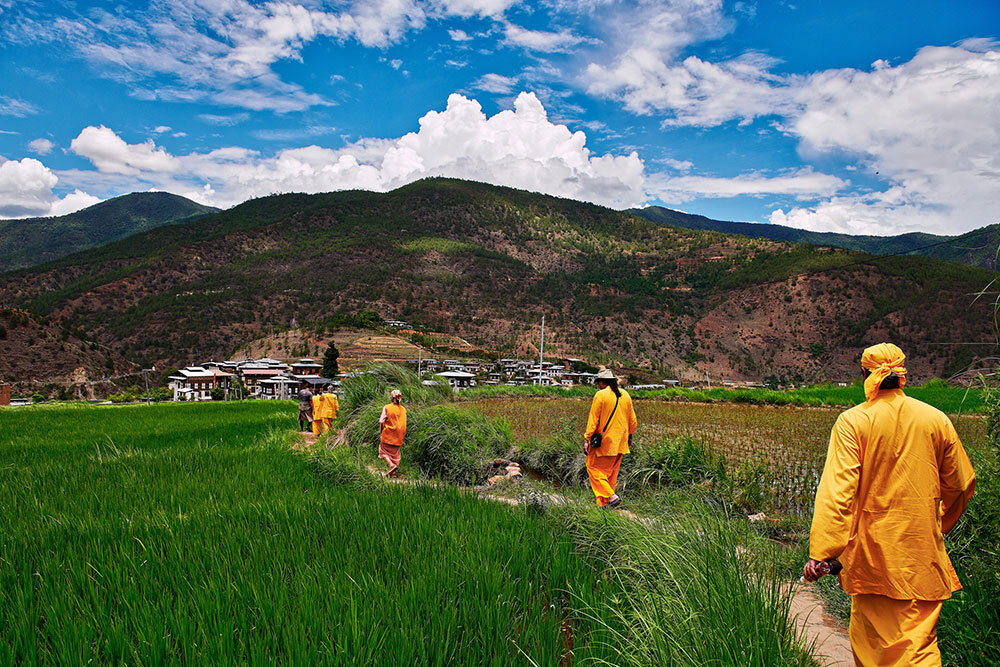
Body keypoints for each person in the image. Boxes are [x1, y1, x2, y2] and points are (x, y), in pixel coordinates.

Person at [804, 343, 976, 666]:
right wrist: (936, 524)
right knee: (919, 651)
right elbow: (961, 485)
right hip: (920, 562)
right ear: (902, 374)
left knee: (873, 652)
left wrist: (823, 552)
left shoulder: (852, 423)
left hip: (872, 564)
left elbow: (837, 493)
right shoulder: (936, 420)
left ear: (864, 375)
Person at [583, 368, 637, 508]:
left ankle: (612, 496)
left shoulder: (601, 395)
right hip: (621, 442)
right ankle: (604, 504)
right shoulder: (625, 394)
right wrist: (630, 436)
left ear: (602, 382)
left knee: (592, 468)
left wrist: (587, 439)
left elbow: (593, 421)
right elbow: (633, 421)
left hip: (605, 442)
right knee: (611, 474)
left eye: (598, 383)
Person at [378, 389, 407, 477]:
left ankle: (391, 465)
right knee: (395, 455)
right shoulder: (403, 409)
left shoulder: (387, 407)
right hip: (399, 436)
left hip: (388, 435)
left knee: (382, 451)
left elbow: (381, 422)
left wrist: (381, 431)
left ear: (391, 398)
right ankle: (393, 473)